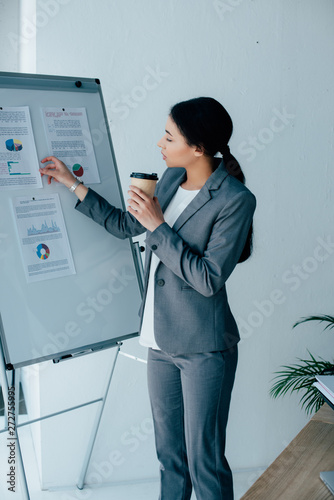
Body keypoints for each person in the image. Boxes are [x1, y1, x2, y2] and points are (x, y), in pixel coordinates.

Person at [40, 97, 256, 500]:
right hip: (159, 341)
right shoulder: (172, 177)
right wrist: (73, 183)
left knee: (203, 461)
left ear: (198, 148)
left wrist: (159, 226)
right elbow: (127, 225)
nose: (160, 142)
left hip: (205, 349)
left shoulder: (235, 200)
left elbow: (208, 278)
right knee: (169, 458)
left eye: (169, 136)